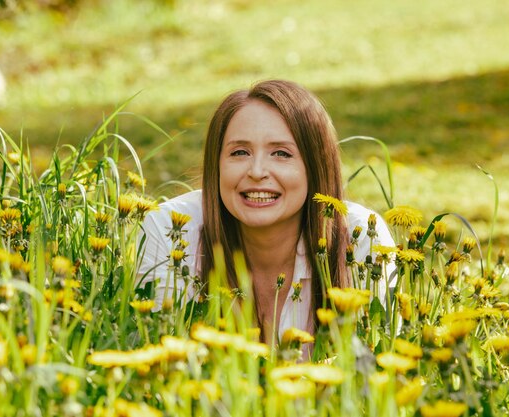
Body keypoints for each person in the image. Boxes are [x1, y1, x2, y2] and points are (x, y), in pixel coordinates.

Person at [137, 79, 395, 344]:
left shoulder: (361, 238)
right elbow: (160, 358)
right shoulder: (169, 230)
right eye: (240, 152)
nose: (257, 172)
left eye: (281, 154)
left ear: (315, 166)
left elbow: (379, 362)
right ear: (217, 164)